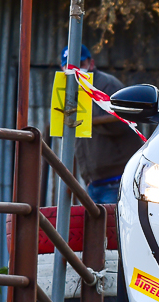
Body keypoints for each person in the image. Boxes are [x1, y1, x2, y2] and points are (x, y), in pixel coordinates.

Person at [61, 45, 144, 204]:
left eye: (80, 64)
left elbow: (122, 123)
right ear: (62, 68)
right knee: (98, 228)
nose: (75, 70)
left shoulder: (106, 85)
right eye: (69, 66)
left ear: (91, 64)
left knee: (112, 227)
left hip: (117, 179)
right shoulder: (69, 91)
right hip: (93, 182)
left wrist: (88, 114)